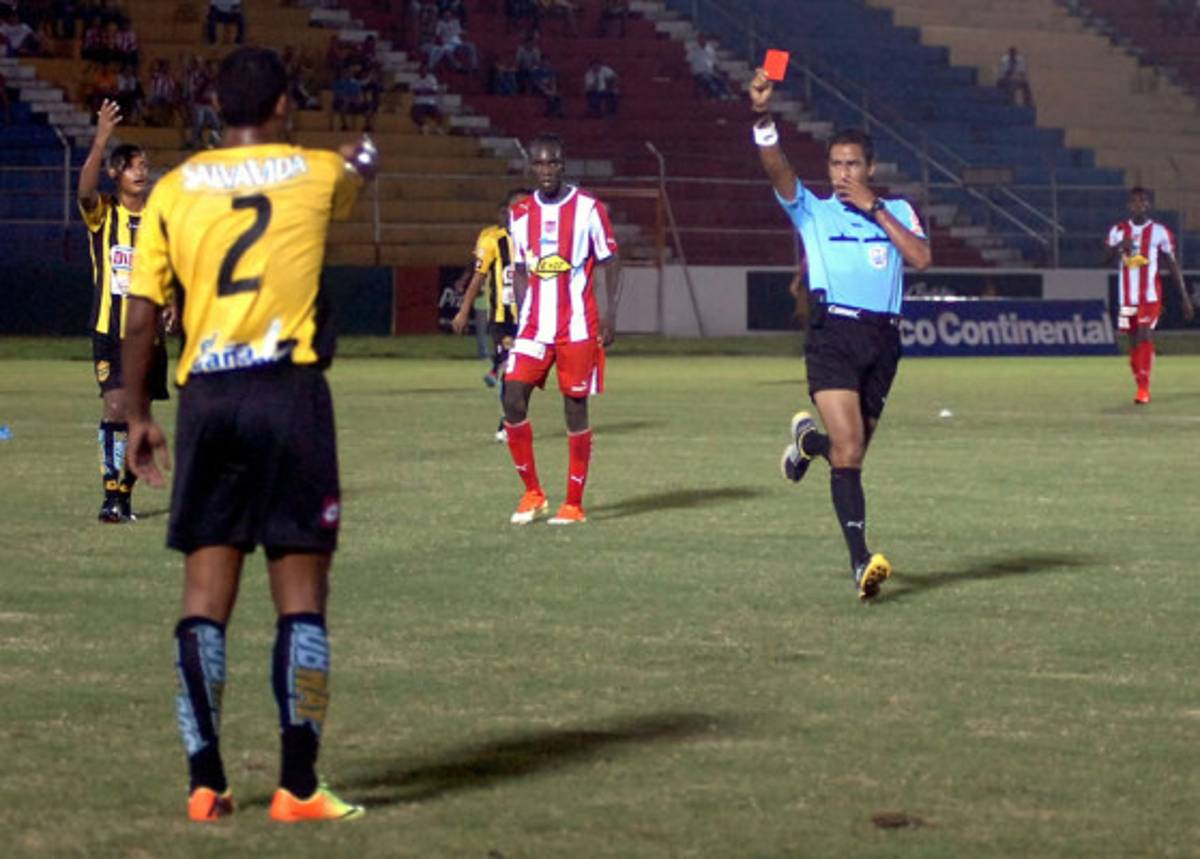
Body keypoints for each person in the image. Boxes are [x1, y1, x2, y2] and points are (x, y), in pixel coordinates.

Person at [121, 45, 373, 824]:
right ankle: (297, 787)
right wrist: (362, 152)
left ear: (212, 108)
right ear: (284, 107)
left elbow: (138, 317)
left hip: (208, 397)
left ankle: (205, 783)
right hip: (287, 392)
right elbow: (355, 172)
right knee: (300, 595)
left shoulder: (172, 190)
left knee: (204, 595)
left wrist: (133, 414)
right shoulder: (313, 172)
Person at [749, 68, 932, 601]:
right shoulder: (812, 209)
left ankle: (809, 443)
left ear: (870, 168)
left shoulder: (895, 210)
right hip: (833, 334)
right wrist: (763, 118)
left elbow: (920, 257)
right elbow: (776, 166)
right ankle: (861, 563)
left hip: (884, 341)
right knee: (849, 452)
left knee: (850, 452)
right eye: (836, 163)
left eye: (853, 164)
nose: (843, 172)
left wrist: (874, 207)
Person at [503, 134, 620, 525]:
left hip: (577, 327)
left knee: (575, 407)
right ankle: (533, 494)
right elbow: (520, 269)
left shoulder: (588, 209)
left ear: (563, 164)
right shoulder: (519, 214)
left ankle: (573, 503)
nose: (546, 170)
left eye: (552, 163)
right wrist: (521, 314)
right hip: (534, 327)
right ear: (531, 168)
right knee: (512, 397)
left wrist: (610, 315)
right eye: (539, 164)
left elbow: (610, 261)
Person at [78, 99, 171, 523]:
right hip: (108, 330)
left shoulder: (158, 220)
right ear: (116, 174)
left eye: (144, 164)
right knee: (114, 407)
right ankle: (110, 496)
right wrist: (100, 140)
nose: (141, 171)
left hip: (147, 335)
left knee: (138, 413)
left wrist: (171, 303)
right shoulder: (103, 216)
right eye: (132, 165)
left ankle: (123, 497)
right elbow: (84, 191)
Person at [1103, 187, 1194, 404]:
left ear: (1148, 205)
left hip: (1150, 296)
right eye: (1135, 201)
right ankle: (1141, 377)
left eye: (1143, 201)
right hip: (1127, 298)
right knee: (1132, 342)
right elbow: (1104, 260)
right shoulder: (1118, 230)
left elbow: (1172, 265)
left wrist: (1184, 297)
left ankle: (1144, 388)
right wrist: (1117, 248)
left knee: (1144, 333)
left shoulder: (1160, 232)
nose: (1139, 205)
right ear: (1129, 205)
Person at [452, 189, 528, 441]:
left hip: (533, 318)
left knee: (525, 375)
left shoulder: (539, 239)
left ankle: (513, 417)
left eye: (522, 207)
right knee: (510, 367)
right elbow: (478, 278)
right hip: (503, 319)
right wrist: (464, 311)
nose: (516, 213)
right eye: (512, 208)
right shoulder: (492, 239)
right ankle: (508, 422)